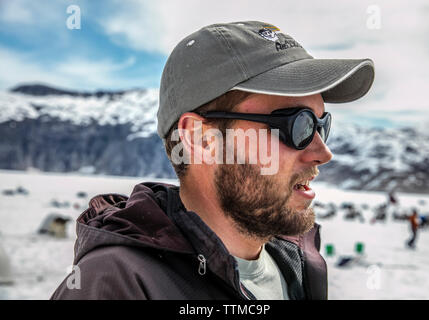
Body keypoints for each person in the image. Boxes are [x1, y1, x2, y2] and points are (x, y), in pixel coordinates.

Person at [51, 21, 374, 300]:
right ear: (201, 138)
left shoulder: (300, 262)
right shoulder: (118, 285)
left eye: (322, 125)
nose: (322, 152)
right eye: (297, 125)